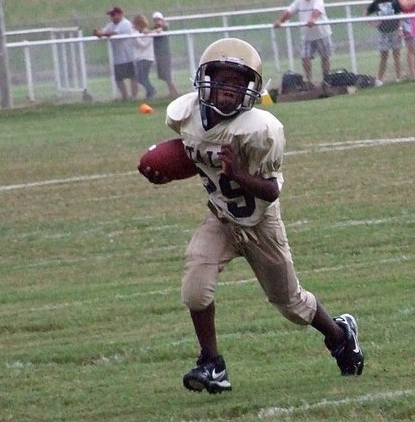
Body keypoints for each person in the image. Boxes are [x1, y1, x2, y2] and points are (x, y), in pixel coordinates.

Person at [140, 38, 364, 393]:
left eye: (238, 82)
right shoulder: (185, 115)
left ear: (251, 89)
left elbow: (271, 191)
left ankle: (339, 335)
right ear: (206, 80)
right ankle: (212, 364)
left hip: (261, 223)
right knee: (195, 290)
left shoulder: (260, 129)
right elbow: (193, 154)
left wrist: (238, 175)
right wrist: (166, 169)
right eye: (223, 80)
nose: (229, 89)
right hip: (221, 218)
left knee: (290, 303)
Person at [274, 0, 333, 86]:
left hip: (322, 34)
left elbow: (317, 10)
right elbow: (289, 12)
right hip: (307, 36)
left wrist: (312, 19)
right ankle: (309, 81)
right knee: (305, 58)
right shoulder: (299, 1)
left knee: (325, 57)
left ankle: (326, 80)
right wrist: (281, 21)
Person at [93, 6, 137, 100]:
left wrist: (102, 34)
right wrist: (97, 32)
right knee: (118, 78)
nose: (112, 17)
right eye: (111, 15)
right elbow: (104, 31)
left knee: (132, 77)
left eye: (113, 14)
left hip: (128, 56)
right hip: (117, 58)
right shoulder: (111, 24)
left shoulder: (126, 24)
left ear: (120, 14)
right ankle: (125, 97)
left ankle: (134, 96)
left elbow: (113, 33)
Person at [365, 0, 402, 86]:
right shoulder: (376, 3)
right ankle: (380, 79)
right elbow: (366, 13)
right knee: (383, 56)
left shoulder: (394, 1)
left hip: (394, 30)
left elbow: (399, 15)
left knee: (396, 55)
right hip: (383, 32)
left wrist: (400, 29)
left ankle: (399, 77)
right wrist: (373, 23)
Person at [151, 11, 180, 98]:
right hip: (158, 55)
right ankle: (171, 92)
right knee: (164, 76)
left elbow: (158, 31)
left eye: (158, 20)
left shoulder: (165, 27)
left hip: (165, 55)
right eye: (155, 20)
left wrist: (151, 31)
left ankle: (175, 92)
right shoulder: (153, 29)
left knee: (167, 75)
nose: (157, 22)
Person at [131, 14, 157, 100]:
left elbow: (143, 45)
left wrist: (149, 34)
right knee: (141, 77)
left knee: (141, 77)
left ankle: (151, 90)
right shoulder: (139, 33)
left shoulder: (148, 33)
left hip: (146, 58)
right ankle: (149, 91)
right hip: (140, 58)